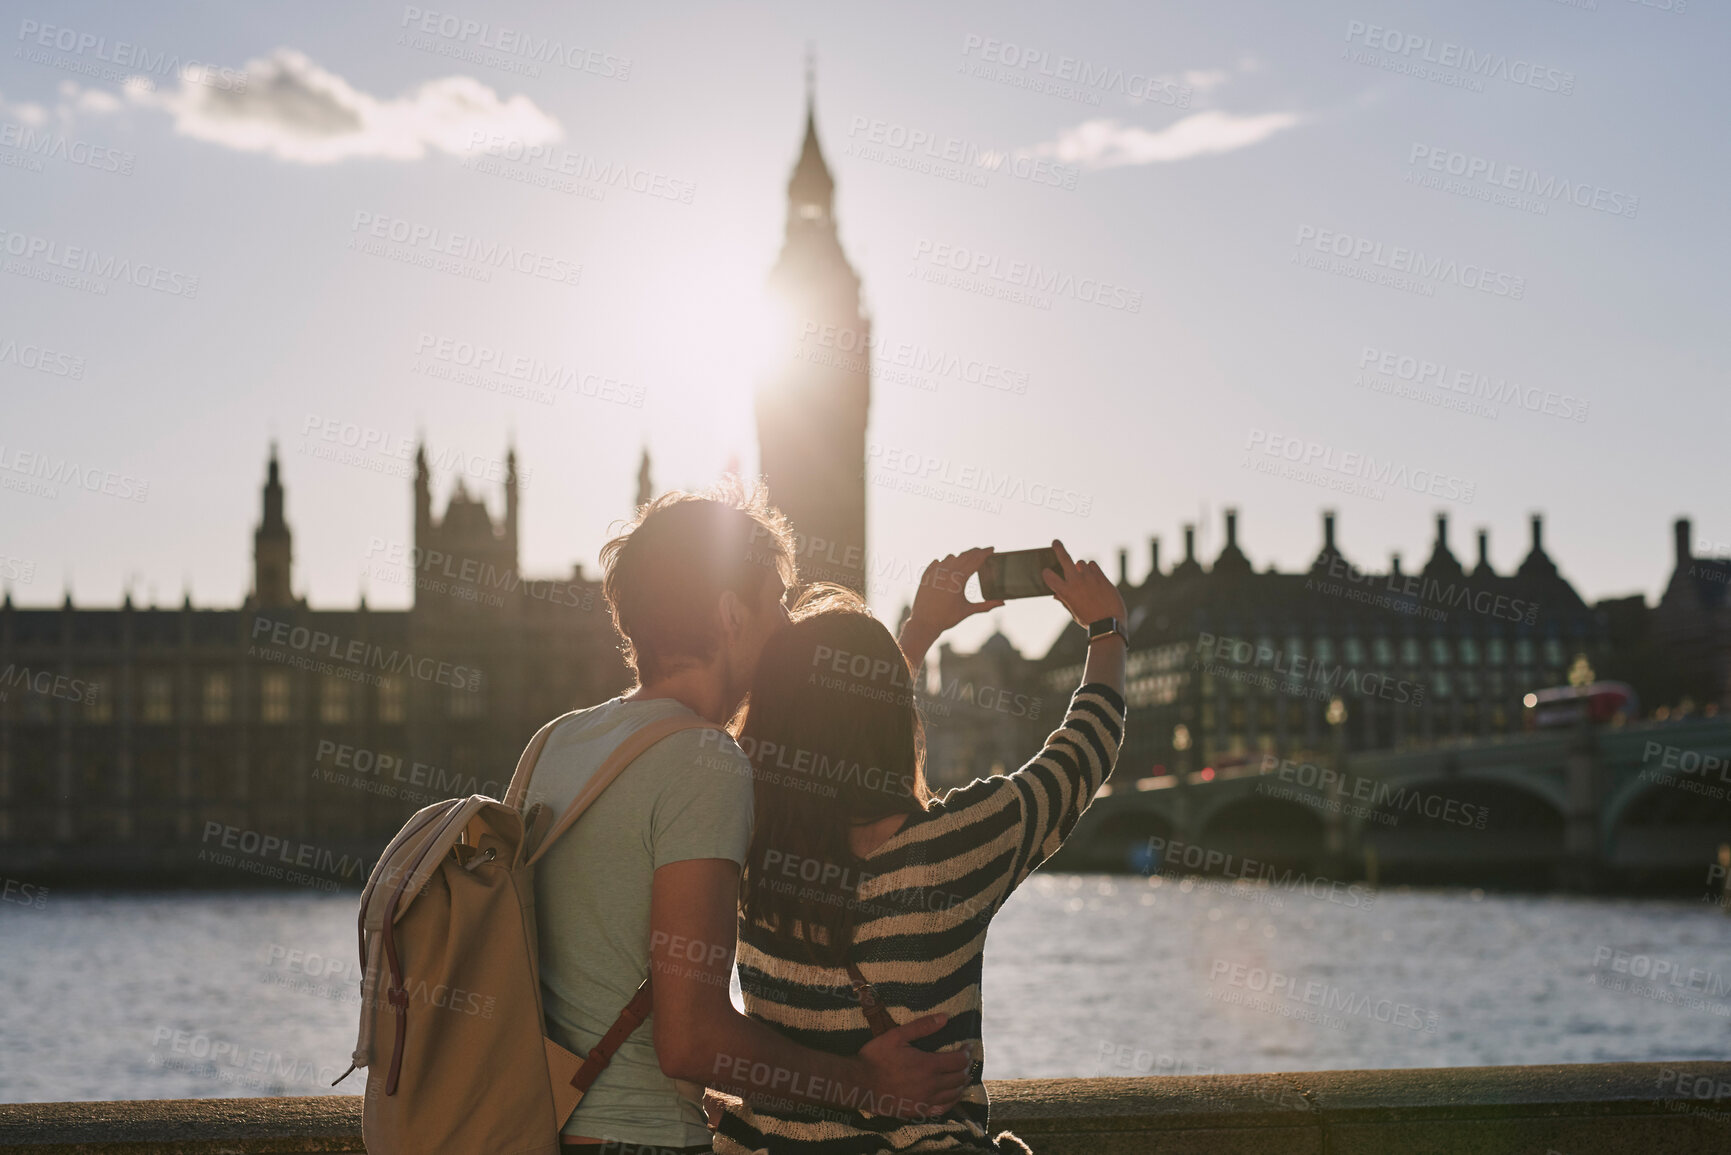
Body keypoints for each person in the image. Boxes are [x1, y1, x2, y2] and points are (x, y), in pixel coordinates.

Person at [528, 482, 973, 1154]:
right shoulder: (702, 763)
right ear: (732, 614)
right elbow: (691, 1039)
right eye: (778, 604)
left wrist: (914, 636)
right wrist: (867, 1082)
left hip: (539, 1126)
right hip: (641, 1139)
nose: (791, 626)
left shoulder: (559, 741)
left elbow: (826, 735)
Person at [714, 542, 1128, 1154]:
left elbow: (827, 723)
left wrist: (917, 631)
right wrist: (1107, 631)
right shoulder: (958, 846)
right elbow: (1083, 753)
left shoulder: (741, 840)